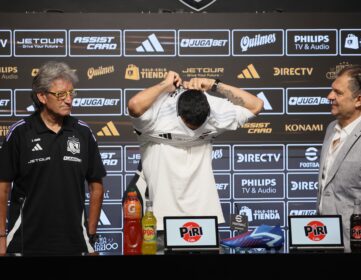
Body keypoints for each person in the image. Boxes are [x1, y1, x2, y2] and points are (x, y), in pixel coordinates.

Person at [127, 71, 263, 236]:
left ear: (207, 114)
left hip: (205, 218)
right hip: (163, 221)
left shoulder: (214, 110)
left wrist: (214, 84)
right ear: (178, 114)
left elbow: (256, 105)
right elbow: (134, 104)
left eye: (199, 126)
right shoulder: (158, 113)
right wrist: (165, 84)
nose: (193, 131)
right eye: (189, 125)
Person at [0, 61, 106, 256]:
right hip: (25, 244)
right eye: (60, 94)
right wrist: (1, 239)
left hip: (75, 245)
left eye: (71, 93)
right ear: (42, 96)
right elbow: (3, 188)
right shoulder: (20, 133)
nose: (68, 100)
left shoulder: (83, 132)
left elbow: (96, 187)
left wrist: (90, 236)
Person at [317, 65, 361, 252]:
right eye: (331, 90)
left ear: (358, 100)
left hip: (354, 246)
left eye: (338, 92)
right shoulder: (331, 129)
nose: (330, 96)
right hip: (322, 240)